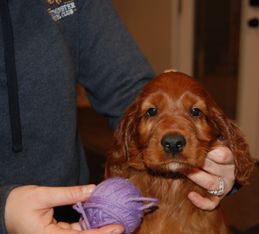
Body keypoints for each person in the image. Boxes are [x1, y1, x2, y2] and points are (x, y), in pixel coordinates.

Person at [0, 0, 236, 233]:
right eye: (152, 113)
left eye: (195, 112)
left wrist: (221, 168)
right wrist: (3, 210)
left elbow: (127, 94)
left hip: (72, 212)